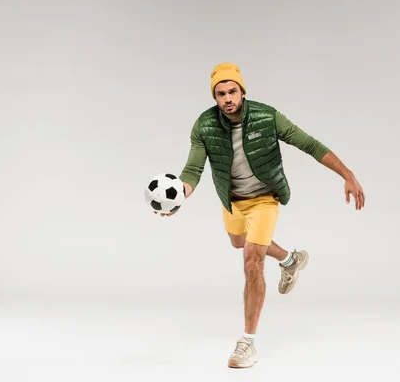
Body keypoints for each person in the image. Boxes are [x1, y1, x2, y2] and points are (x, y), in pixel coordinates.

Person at [156, 62, 365, 368]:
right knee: (239, 242)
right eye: (220, 93)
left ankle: (247, 342)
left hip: (265, 198)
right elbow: (193, 170)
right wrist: (177, 198)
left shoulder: (268, 117)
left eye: (232, 91)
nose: (227, 98)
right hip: (232, 201)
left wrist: (348, 174)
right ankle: (291, 260)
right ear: (214, 97)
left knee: (252, 261)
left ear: (242, 92)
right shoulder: (204, 125)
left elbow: (309, 144)